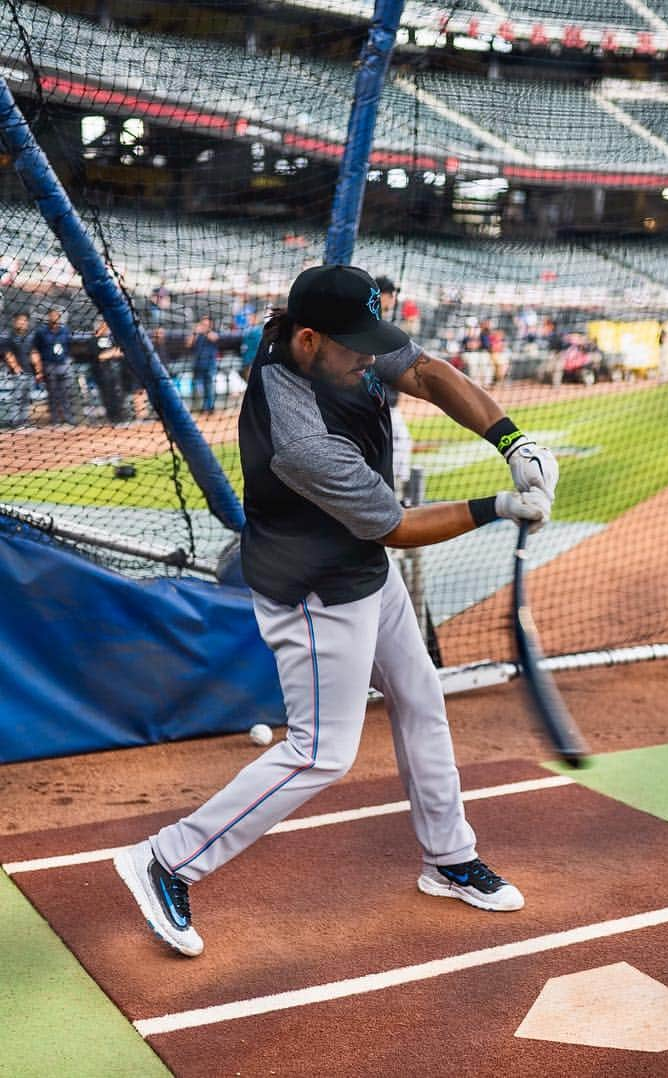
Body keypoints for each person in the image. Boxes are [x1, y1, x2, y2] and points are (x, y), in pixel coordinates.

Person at [113, 264, 559, 958]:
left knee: (421, 699)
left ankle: (448, 857)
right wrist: (498, 507)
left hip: (361, 573)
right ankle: (166, 859)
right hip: (314, 591)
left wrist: (513, 441)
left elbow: (428, 372)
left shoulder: (336, 340)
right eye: (355, 348)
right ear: (310, 340)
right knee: (321, 753)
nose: (372, 359)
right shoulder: (298, 435)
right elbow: (392, 525)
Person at [375, 275, 413, 494]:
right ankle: (397, 488)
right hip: (381, 401)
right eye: (390, 294)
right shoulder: (376, 326)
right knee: (399, 441)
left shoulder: (382, 325)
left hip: (382, 399)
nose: (393, 299)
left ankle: (393, 486)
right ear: (380, 295)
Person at [32, 308, 78, 425]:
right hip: (49, 364)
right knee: (53, 393)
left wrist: (69, 361)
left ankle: (68, 418)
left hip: (63, 364)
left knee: (66, 393)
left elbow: (70, 346)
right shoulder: (41, 332)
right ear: (48, 316)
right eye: (52, 315)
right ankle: (55, 419)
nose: (54, 317)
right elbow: (35, 348)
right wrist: (39, 368)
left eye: (57, 315)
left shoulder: (65, 331)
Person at [0, 312, 40, 427]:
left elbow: (34, 353)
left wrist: (38, 370)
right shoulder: (9, 337)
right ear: (14, 322)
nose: (22, 323)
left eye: (24, 320)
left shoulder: (30, 337)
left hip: (30, 372)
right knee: (16, 399)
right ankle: (15, 422)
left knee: (26, 399)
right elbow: (8, 354)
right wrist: (16, 368)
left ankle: (23, 421)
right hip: (17, 374)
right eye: (20, 320)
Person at [92, 320, 129, 423]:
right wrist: (112, 353)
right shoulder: (93, 340)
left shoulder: (112, 338)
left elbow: (121, 351)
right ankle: (112, 418)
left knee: (119, 395)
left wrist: (110, 353)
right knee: (107, 396)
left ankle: (121, 417)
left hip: (115, 371)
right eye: (103, 325)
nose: (106, 327)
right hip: (101, 373)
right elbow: (99, 356)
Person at [186, 316, 219, 412]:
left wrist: (205, 330)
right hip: (197, 364)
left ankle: (209, 407)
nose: (204, 325)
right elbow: (188, 344)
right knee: (197, 386)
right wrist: (195, 332)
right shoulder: (196, 334)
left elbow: (215, 338)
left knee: (209, 386)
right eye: (203, 323)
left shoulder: (212, 333)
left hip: (210, 364)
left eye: (207, 324)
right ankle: (200, 407)